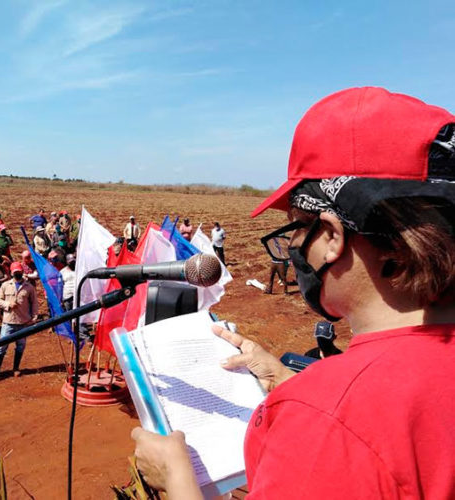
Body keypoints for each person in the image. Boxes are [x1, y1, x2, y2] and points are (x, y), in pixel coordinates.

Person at [131, 87, 455, 498]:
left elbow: (350, 427)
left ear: (333, 236)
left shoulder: (326, 420)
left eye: (297, 228)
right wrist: (287, 382)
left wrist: (178, 481)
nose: (296, 246)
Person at [0, 262, 38, 378]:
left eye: (19, 272)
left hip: (23, 322)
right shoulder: (5, 285)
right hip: (8, 322)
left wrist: (34, 316)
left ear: (22, 272)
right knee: (1, 347)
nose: (17, 274)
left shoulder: (29, 287)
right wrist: (8, 304)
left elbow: (34, 303)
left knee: (20, 346)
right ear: (11, 273)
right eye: (15, 273)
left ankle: (16, 368)